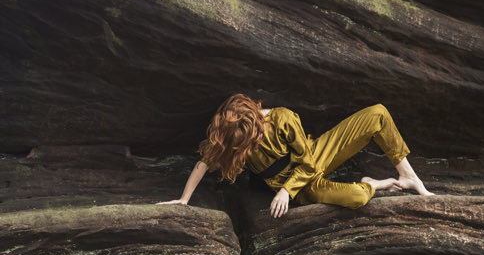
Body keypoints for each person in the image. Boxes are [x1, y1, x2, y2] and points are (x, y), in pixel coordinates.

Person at [156, 93, 433, 217]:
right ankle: (375, 183)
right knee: (358, 197)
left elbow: (308, 162)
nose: (249, 150)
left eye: (252, 143)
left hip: (310, 161)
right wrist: (183, 200)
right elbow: (202, 163)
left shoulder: (282, 118)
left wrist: (284, 192)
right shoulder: (232, 133)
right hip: (301, 189)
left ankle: (408, 177)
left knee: (378, 114)